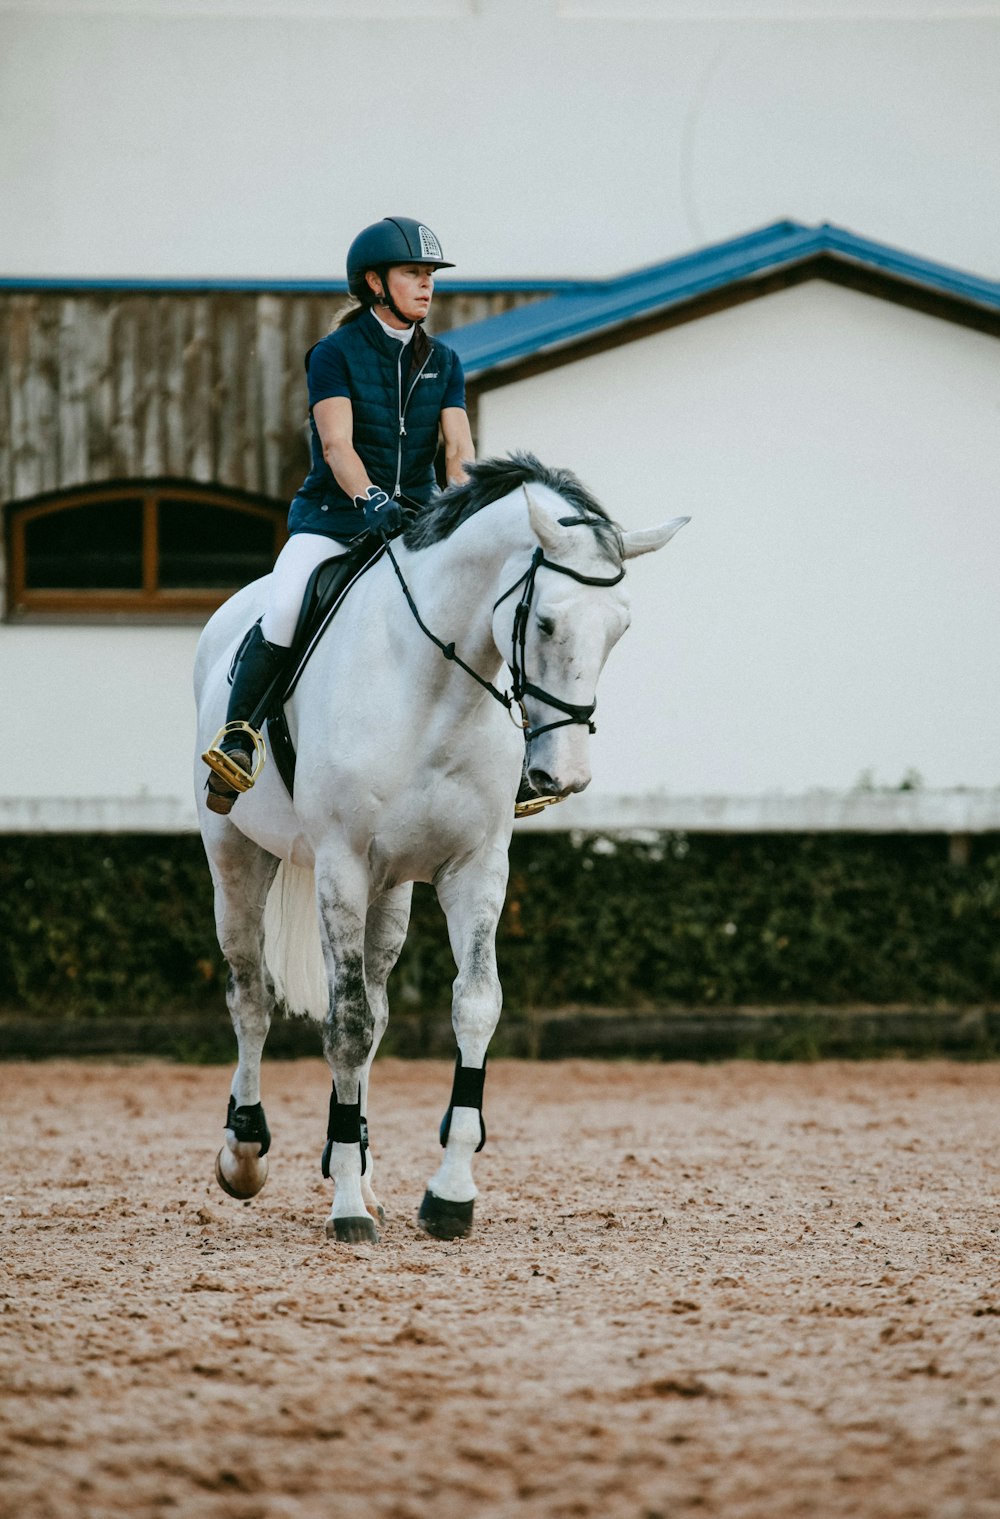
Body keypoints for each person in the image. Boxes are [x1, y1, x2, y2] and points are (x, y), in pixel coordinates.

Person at [203, 217, 475, 814]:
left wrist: (461, 505)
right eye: (413, 274)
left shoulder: (445, 360)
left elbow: (458, 451)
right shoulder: (334, 354)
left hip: (418, 521)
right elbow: (337, 446)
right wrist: (370, 500)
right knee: (285, 604)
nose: (427, 286)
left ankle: (505, 758)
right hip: (335, 518)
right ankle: (239, 738)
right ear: (375, 283)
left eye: (431, 275)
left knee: (479, 605)